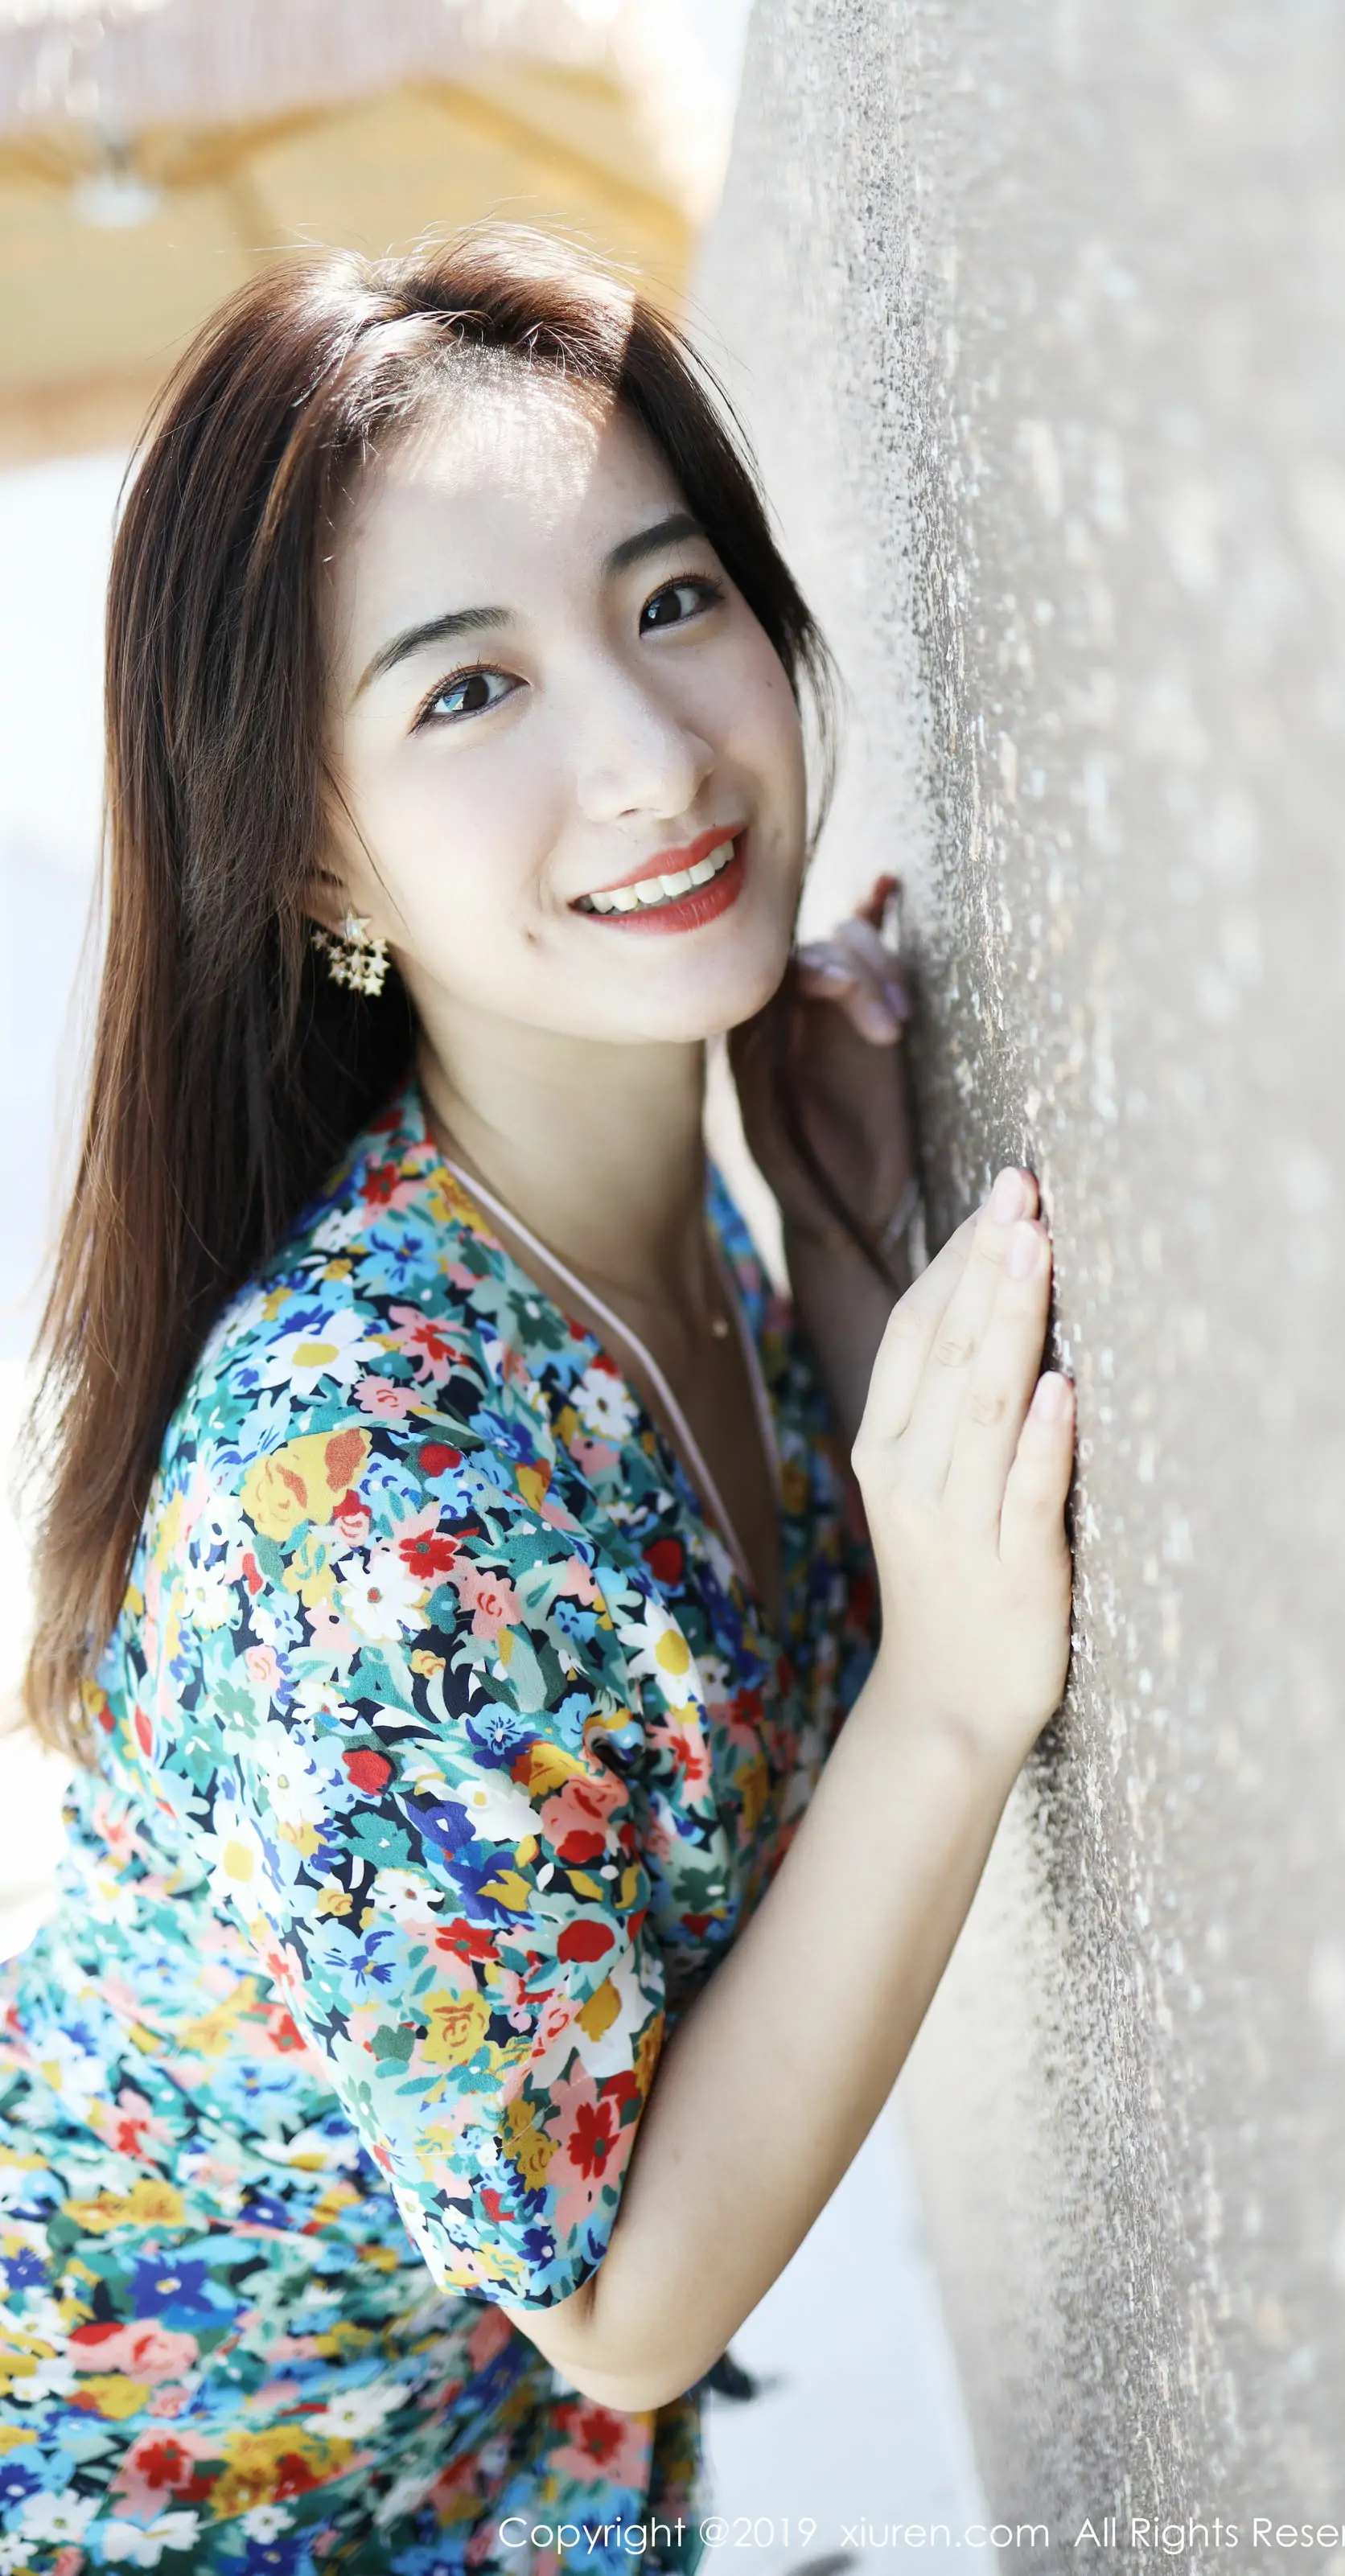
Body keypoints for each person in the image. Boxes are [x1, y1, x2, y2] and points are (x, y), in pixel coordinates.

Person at [0, 230, 1074, 2575]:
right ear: (307, 849)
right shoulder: (366, 1501)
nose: (652, 756)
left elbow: (746, 1669)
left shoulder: (625, 1205)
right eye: (469, 690)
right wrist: (949, 1704)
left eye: (672, 599)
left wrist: (837, 1247)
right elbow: (622, 2304)